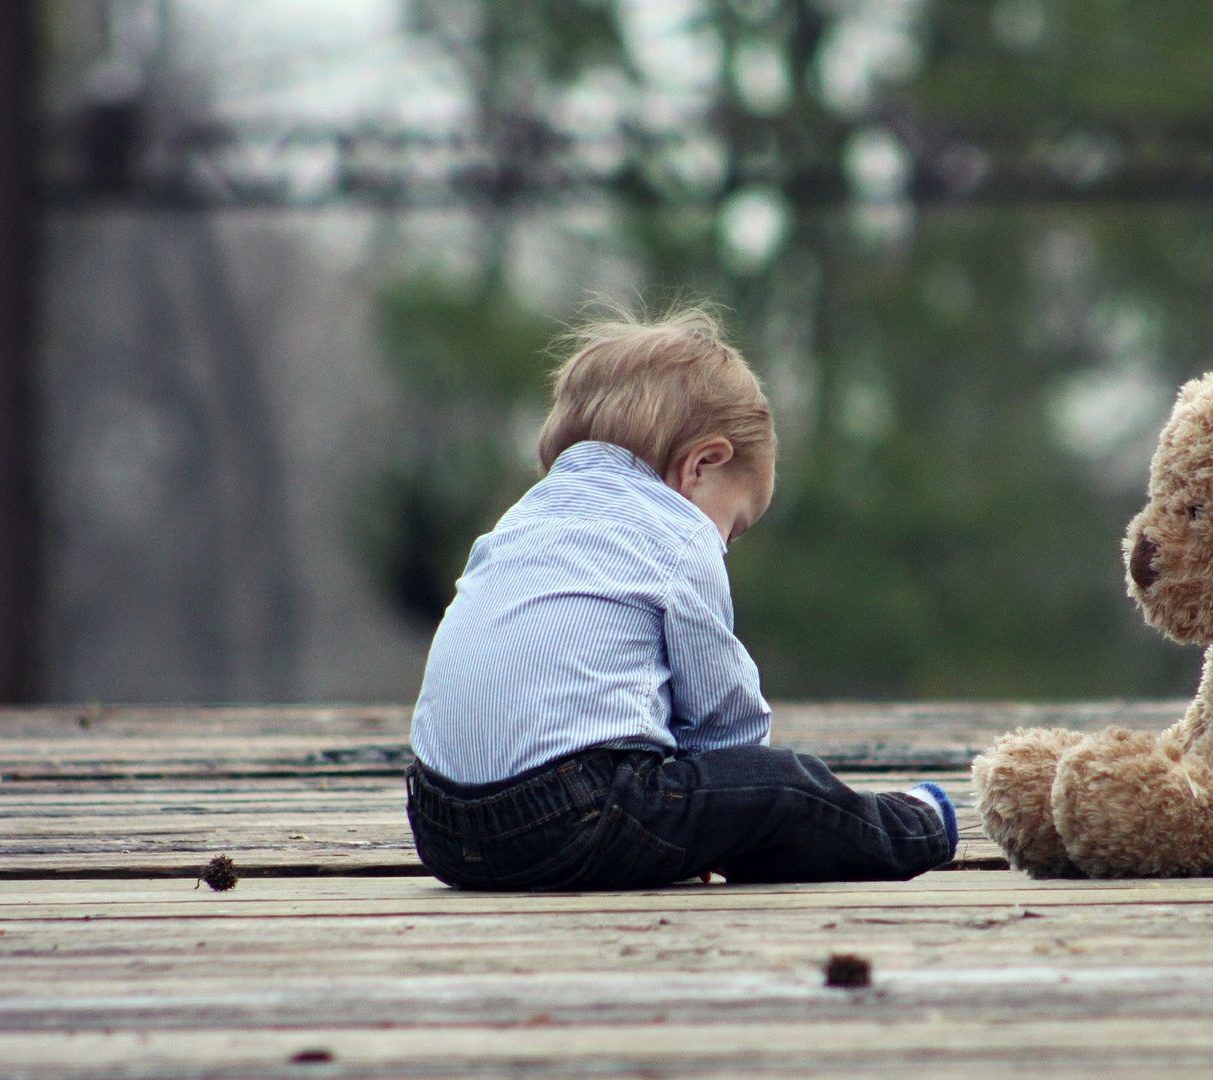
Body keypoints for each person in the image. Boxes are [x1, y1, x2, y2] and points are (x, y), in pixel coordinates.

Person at [405, 306, 956, 890]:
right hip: (570, 818)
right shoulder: (677, 533)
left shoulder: (522, 520)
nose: (724, 544)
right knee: (787, 788)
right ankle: (918, 825)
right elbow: (723, 719)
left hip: (439, 826)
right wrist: (737, 805)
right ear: (702, 464)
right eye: (735, 526)